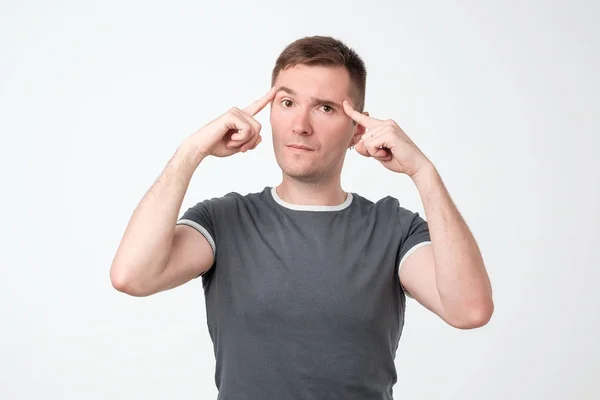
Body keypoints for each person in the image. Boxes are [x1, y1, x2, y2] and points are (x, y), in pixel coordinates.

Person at [110, 35, 494, 399]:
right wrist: (190, 152)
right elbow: (132, 276)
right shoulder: (223, 220)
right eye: (288, 103)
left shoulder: (393, 228)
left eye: (325, 108)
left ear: (357, 128)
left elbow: (469, 310)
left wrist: (424, 173)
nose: (300, 125)